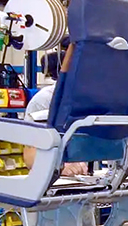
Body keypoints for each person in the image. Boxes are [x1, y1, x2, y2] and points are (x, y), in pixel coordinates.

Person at [22, 48, 87, 176]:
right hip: (50, 181)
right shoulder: (45, 100)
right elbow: (29, 156)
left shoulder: (93, 99)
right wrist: (60, 167)